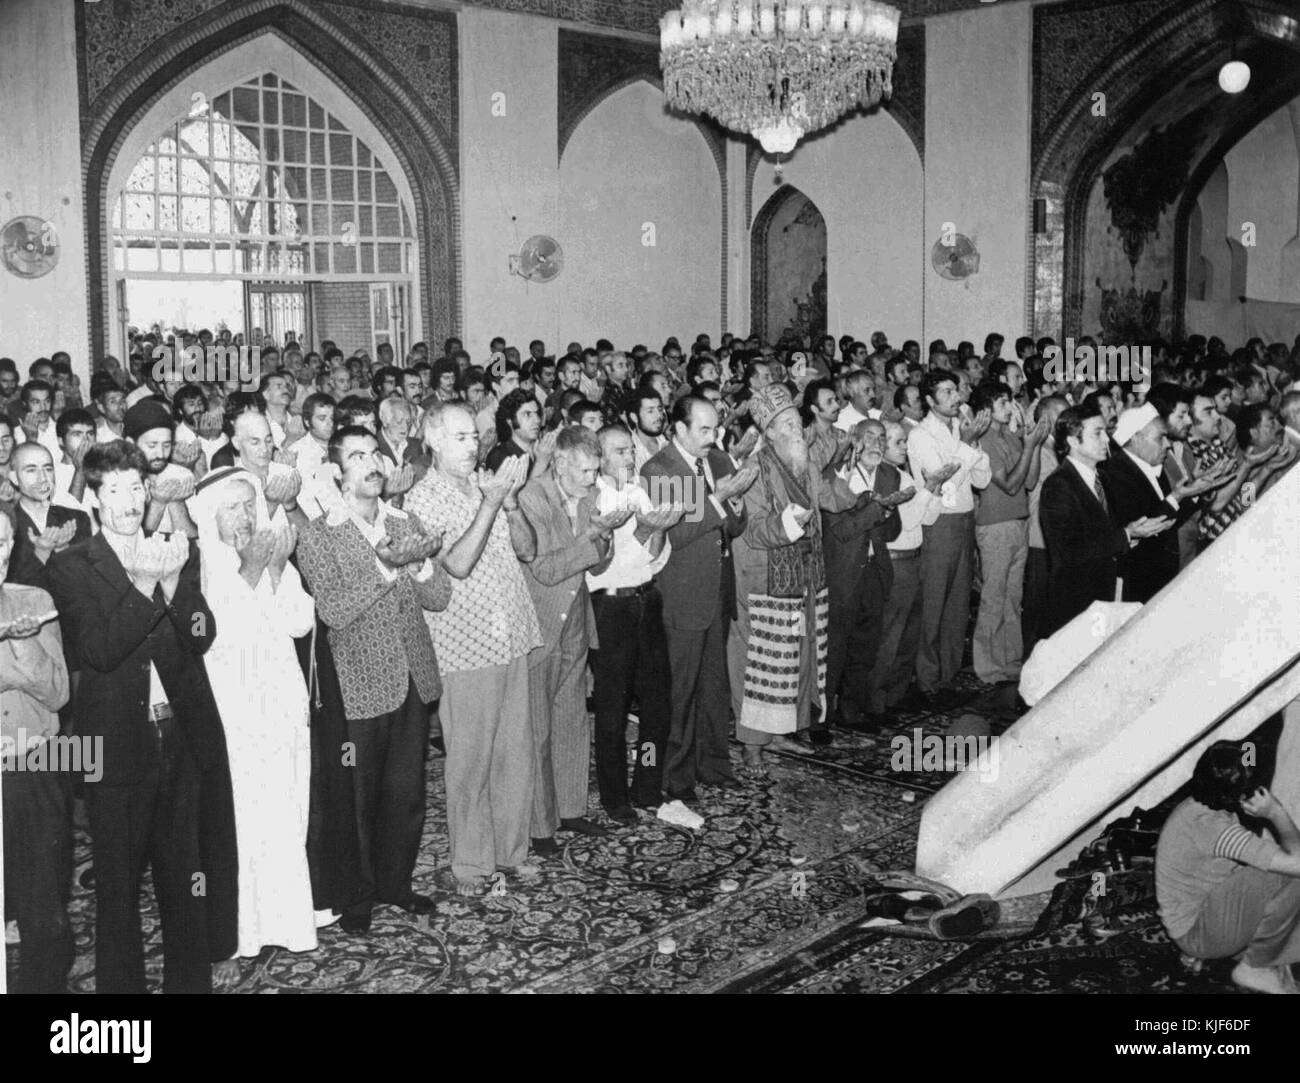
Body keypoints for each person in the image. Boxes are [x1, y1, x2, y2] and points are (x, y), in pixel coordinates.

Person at [48, 440, 238, 993]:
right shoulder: (72, 567)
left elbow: (202, 637)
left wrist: (176, 584)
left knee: (186, 878)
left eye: (137, 487)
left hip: (179, 737)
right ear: (95, 499)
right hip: (116, 747)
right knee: (118, 888)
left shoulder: (176, 549)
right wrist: (144, 584)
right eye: (115, 490)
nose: (129, 502)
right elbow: (100, 651)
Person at [295, 426, 451, 933]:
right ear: (337, 472)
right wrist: (386, 569)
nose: (370, 464)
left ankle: (395, 884)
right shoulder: (319, 533)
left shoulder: (404, 519)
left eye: (375, 454)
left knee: (405, 791)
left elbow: (440, 596)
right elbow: (335, 610)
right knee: (358, 796)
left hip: (412, 674)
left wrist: (422, 562)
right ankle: (356, 895)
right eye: (356, 456)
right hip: (357, 681)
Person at [404, 403, 540, 895]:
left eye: (474, 437)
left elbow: (527, 549)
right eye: (459, 437)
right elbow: (457, 564)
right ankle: (471, 864)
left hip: (513, 634)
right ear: (434, 441)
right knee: (470, 758)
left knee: (515, 752)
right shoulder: (423, 499)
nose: (472, 445)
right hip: (466, 643)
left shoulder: (489, 485)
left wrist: (508, 504)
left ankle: (511, 851)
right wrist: (489, 504)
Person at [188, 469, 317, 958]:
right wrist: (250, 569)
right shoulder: (200, 565)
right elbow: (214, 637)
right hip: (237, 714)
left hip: (283, 705)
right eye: (231, 507)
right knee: (247, 820)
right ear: (209, 516)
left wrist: (279, 569)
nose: (243, 515)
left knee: (288, 813)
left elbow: (300, 621)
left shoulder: (269, 553)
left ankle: (287, 924)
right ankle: (246, 930)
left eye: (249, 504)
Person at [519, 426, 629, 849]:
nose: (592, 478)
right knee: (538, 727)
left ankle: (570, 810)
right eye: (584, 470)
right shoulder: (532, 499)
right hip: (541, 624)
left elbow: (598, 569)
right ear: (560, 463)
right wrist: (591, 539)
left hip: (577, 623)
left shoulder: (592, 498)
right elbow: (544, 570)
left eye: (595, 470)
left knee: (571, 722)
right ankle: (540, 825)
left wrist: (605, 538)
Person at [642, 396, 756, 803]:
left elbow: (735, 527)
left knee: (714, 686)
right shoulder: (660, 470)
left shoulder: (720, 462)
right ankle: (675, 776)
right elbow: (675, 534)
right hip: (681, 593)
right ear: (679, 429)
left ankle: (714, 765)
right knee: (681, 688)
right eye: (704, 430)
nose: (714, 438)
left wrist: (736, 503)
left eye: (716, 429)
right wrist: (718, 499)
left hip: (717, 588)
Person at [587, 425, 682, 823]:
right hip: (610, 608)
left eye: (630, 450)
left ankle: (647, 784)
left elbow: (656, 558)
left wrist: (657, 529)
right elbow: (597, 566)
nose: (629, 458)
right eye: (619, 451)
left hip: (646, 598)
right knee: (613, 707)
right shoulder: (592, 498)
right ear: (600, 457)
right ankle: (615, 795)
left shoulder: (639, 490)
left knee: (657, 703)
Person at [1156, 741, 1300, 994]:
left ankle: (1266, 956)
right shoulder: (1215, 829)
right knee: (1288, 876)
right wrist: (1276, 812)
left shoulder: (1201, 808)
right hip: (1196, 932)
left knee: (1272, 866)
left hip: (1196, 920)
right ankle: (1254, 968)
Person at [0, 511, 73, 992]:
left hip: (35, 762)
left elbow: (59, 694)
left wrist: (22, 648)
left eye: (2, 541)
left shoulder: (35, 602)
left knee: (44, 905)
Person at [1038, 403, 1171, 637]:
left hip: (1108, 592)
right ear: (1073, 441)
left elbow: (1117, 528)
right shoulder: (1058, 486)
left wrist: (1134, 533)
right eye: (1097, 433)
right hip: (1078, 598)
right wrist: (1127, 535)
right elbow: (1070, 550)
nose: (1106, 441)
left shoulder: (1104, 479)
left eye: (1106, 433)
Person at [906, 371, 992, 702]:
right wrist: (967, 445)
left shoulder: (961, 424)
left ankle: (948, 676)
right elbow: (941, 487)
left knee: (957, 605)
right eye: (947, 391)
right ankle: (927, 680)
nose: (956, 396)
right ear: (930, 400)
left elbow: (982, 479)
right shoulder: (921, 436)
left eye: (956, 390)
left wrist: (971, 443)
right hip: (938, 522)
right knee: (933, 603)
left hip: (964, 520)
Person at [820, 418, 908, 733]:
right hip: (842, 572)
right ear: (854, 440)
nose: (876, 444)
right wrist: (875, 510)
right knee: (834, 650)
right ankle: (822, 718)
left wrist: (886, 512)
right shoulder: (834, 475)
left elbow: (892, 530)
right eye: (869, 437)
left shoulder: (889, 474)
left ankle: (851, 711)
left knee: (865, 646)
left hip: (875, 569)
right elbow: (841, 530)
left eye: (881, 438)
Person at [1100, 403, 1232, 603]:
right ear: (1136, 439)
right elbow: (1144, 524)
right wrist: (1178, 495)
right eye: (1160, 438)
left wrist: (1197, 491)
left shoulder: (1152, 463)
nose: (1168, 445)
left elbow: (1171, 519)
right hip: (1137, 582)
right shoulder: (1116, 473)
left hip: (1162, 574)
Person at [971, 383, 1048, 684]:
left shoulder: (1011, 438)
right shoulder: (985, 441)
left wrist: (1036, 444)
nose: (1010, 406)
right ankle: (988, 666)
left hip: (1019, 522)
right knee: (993, 597)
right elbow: (1011, 485)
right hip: (995, 526)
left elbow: (1029, 482)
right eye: (1003, 401)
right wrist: (1029, 446)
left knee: (1013, 598)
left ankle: (1010, 660)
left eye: (1011, 400)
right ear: (986, 408)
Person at [5, 442, 92, 592]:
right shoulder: (6, 525)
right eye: (31, 470)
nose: (43, 478)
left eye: (48, 468)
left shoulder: (77, 518)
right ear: (14, 478)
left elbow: (87, 583)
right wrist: (41, 553)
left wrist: (63, 550)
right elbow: (10, 592)